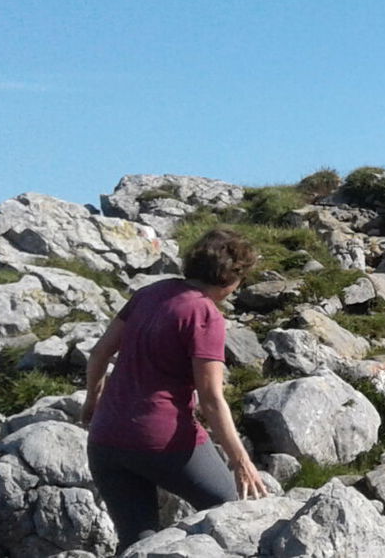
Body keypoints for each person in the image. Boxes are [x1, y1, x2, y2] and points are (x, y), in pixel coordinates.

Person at [83, 227, 269, 550]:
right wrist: (241, 461)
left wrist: (91, 402)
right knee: (227, 508)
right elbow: (211, 400)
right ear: (229, 280)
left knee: (137, 541)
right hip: (161, 440)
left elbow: (99, 353)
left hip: (104, 439)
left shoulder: (149, 293)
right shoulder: (204, 313)